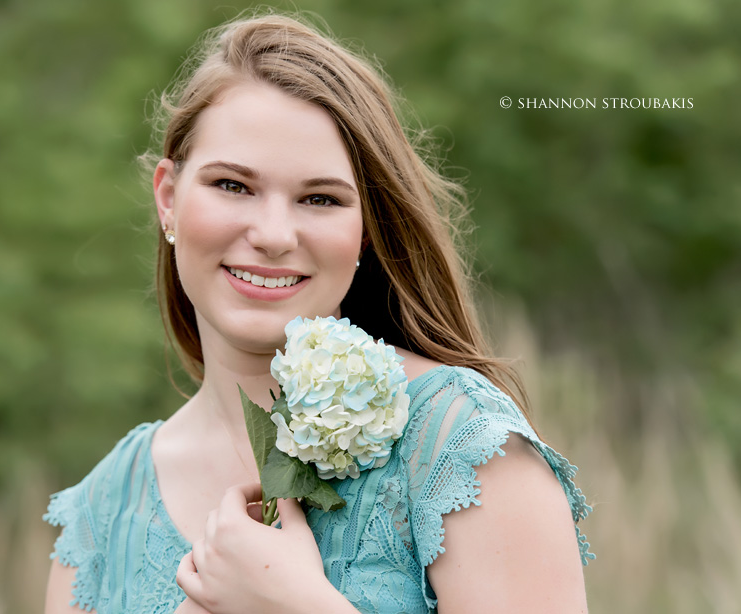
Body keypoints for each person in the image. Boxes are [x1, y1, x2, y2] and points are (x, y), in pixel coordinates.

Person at [43, 11, 593, 614]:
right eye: (232, 185)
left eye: (320, 198)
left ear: (362, 232)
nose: (274, 234)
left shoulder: (462, 446)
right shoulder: (99, 520)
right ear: (169, 199)